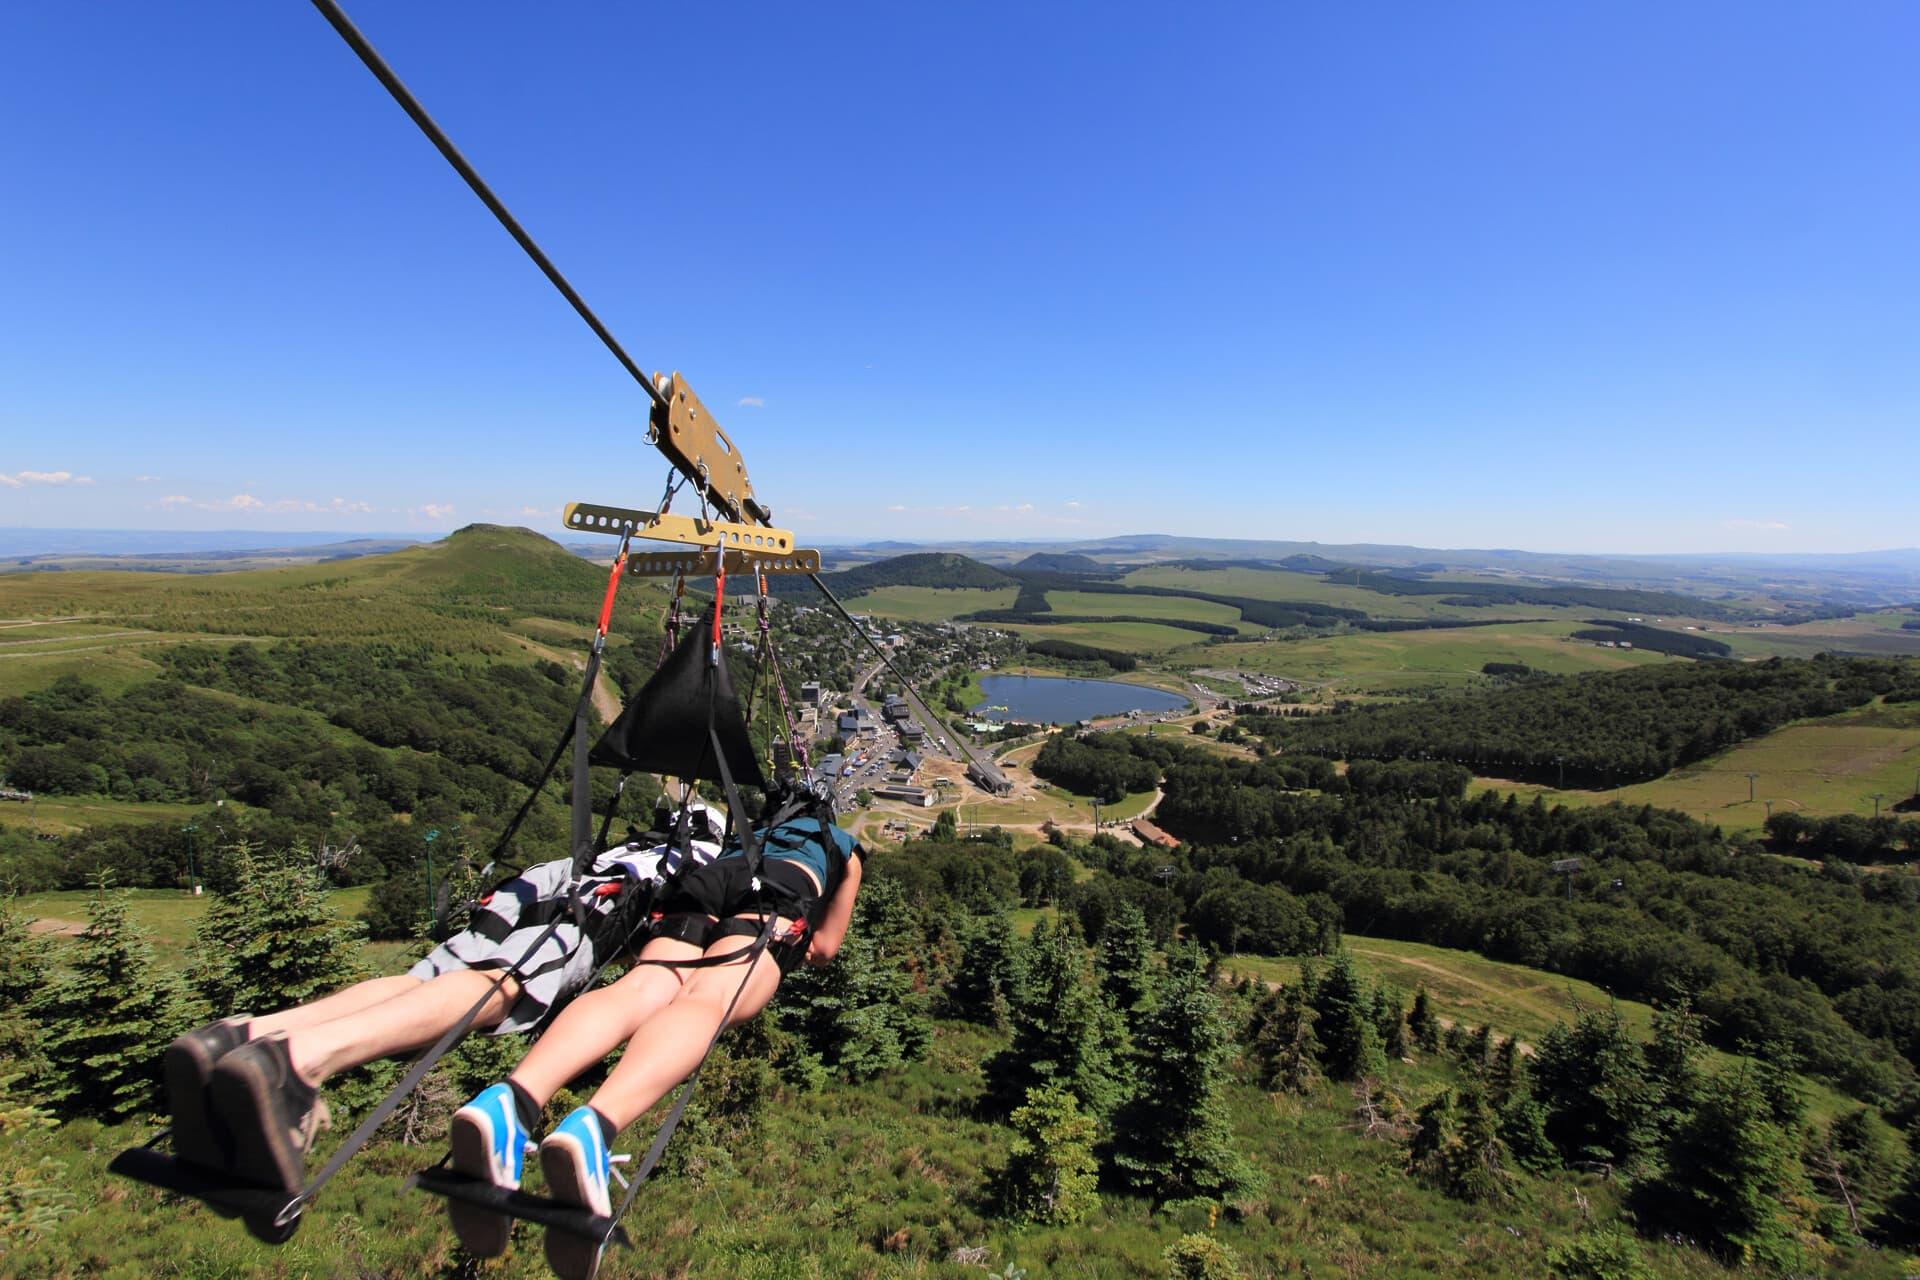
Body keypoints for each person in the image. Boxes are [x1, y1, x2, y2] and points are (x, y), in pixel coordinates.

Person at [163, 798, 729, 1214]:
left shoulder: (633, 841)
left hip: (548, 882)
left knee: (421, 984)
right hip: (604, 902)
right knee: (502, 990)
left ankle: (242, 1037)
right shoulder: (698, 863)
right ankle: (297, 1062)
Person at [445, 803, 864, 1280]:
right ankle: (593, 1129)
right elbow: (826, 948)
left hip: (712, 879)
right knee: (709, 1000)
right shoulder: (841, 844)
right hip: (776, 894)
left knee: (642, 986)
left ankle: (512, 1100)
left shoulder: (757, 826)